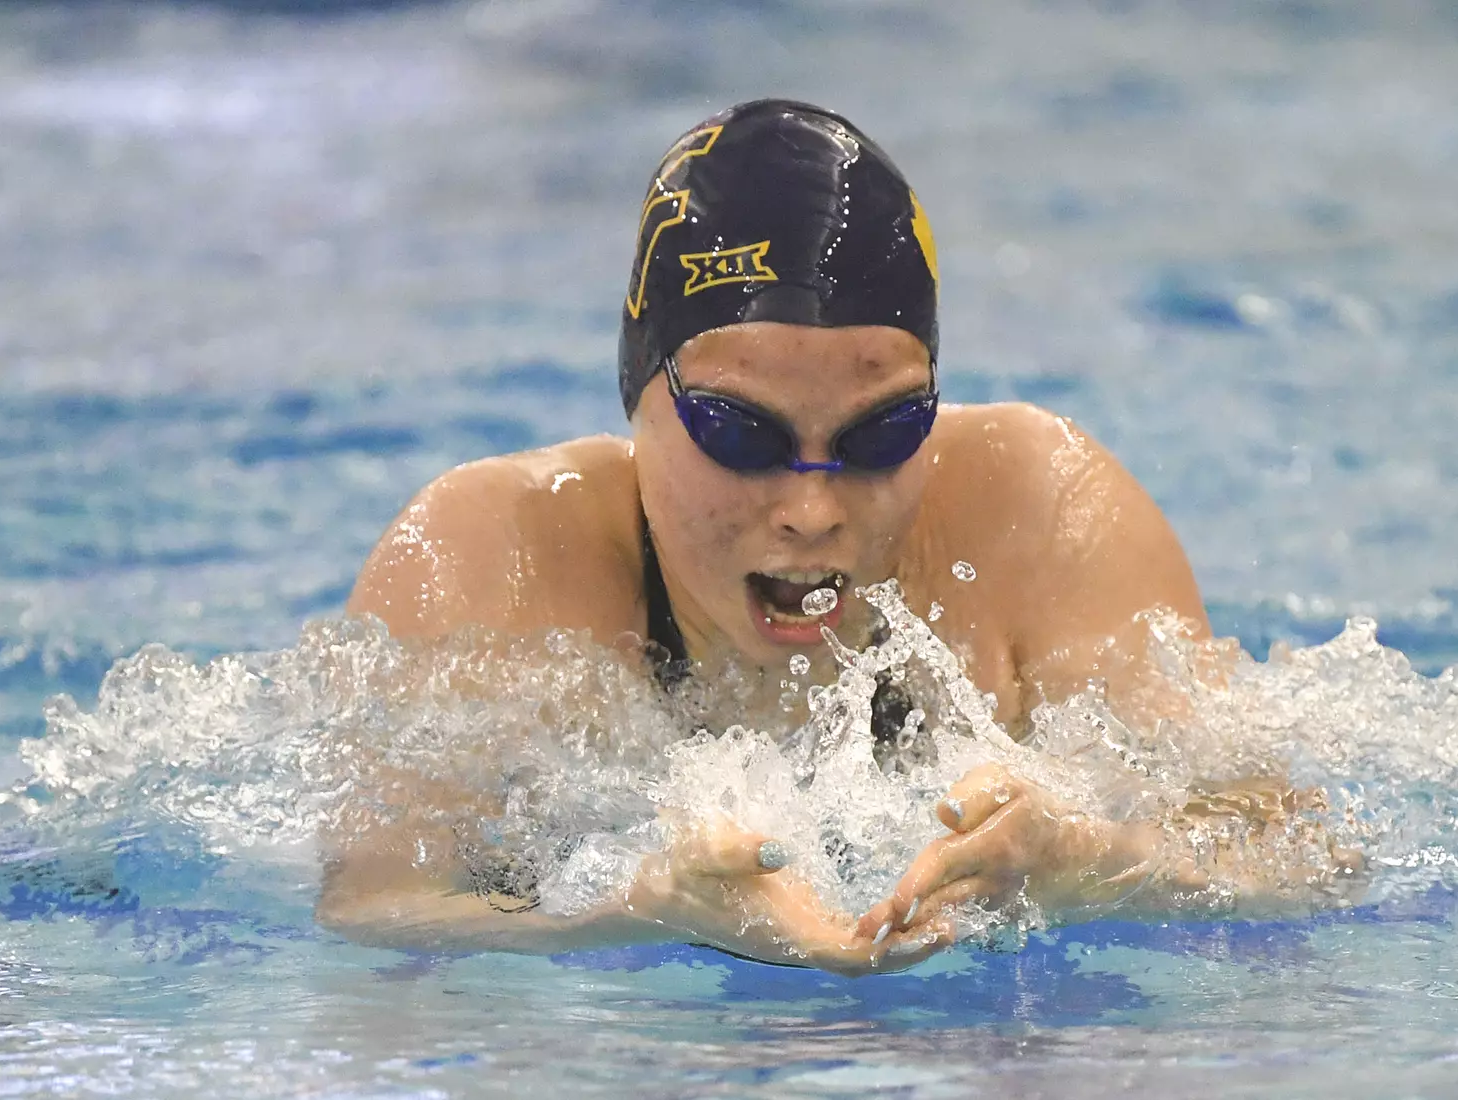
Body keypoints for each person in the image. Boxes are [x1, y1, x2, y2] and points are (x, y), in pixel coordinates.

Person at [317, 99, 1313, 975]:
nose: (811, 507)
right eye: (740, 433)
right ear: (641, 398)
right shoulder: (496, 561)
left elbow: (1300, 858)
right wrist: (636, 911)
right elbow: (371, 912)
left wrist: (1100, 862)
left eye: (882, 432)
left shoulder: (1041, 510)